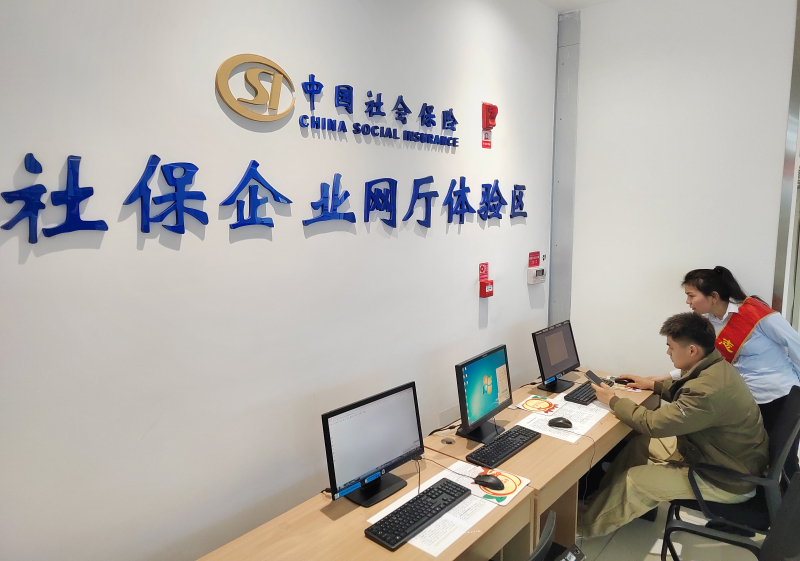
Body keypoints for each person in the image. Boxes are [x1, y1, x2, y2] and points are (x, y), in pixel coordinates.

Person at [579, 312, 768, 538]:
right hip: (718, 455)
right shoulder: (716, 367)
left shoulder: (708, 390)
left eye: (671, 347)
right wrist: (653, 385)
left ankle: (582, 528)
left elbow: (652, 423)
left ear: (692, 350)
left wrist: (613, 401)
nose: (668, 352)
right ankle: (599, 502)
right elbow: (689, 394)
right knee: (640, 445)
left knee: (635, 481)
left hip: (724, 478)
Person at [628, 266, 800, 479]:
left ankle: (788, 499)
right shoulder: (711, 324)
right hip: (749, 399)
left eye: (691, 295)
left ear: (714, 297)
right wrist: (664, 377)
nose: (687, 302)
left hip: (779, 396)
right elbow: (704, 362)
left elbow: (796, 345)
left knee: (783, 460)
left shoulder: (756, 314)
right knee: (759, 460)